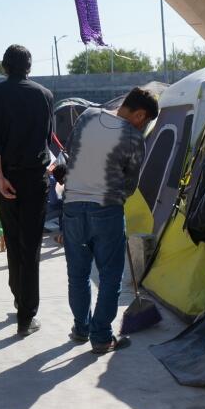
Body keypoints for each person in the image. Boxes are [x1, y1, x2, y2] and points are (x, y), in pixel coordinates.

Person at [58, 87, 159, 353]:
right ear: (139, 114)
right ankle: (101, 337)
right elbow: (130, 183)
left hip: (71, 208)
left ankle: (81, 328)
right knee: (110, 275)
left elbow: (71, 154)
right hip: (107, 210)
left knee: (77, 275)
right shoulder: (133, 136)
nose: (144, 125)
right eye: (146, 121)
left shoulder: (87, 116)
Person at [0, 44, 53, 336]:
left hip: (6, 176)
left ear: (4, 66)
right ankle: (27, 313)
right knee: (31, 244)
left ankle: (19, 298)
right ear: (30, 66)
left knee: (13, 240)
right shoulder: (45, 95)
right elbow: (47, 137)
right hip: (36, 177)